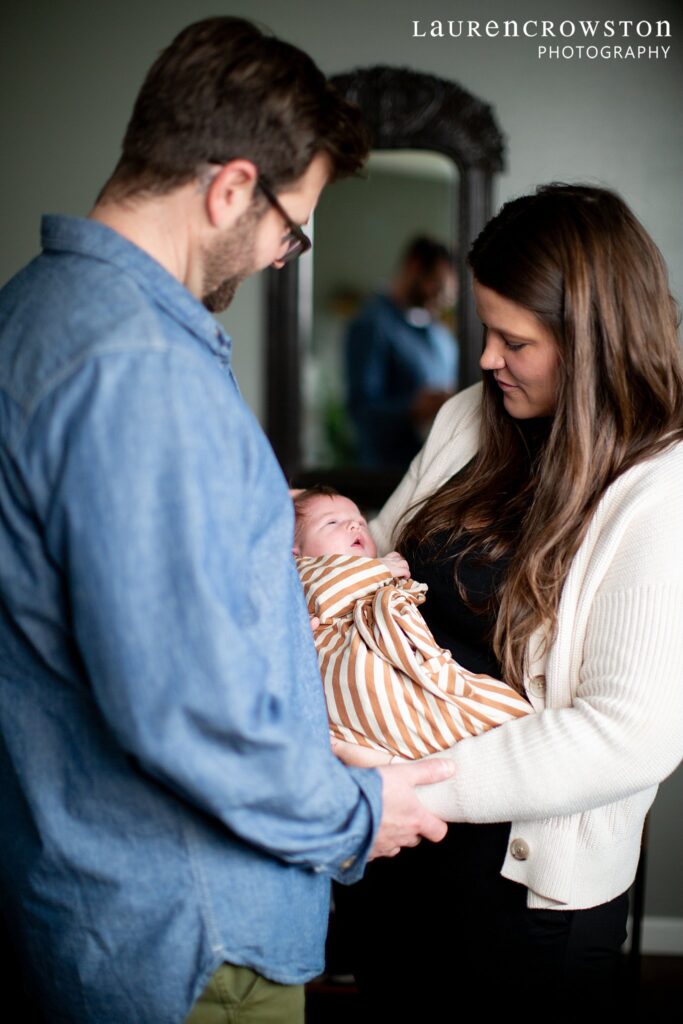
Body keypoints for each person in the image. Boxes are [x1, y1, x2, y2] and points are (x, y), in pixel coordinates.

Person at [0, 18, 455, 1024]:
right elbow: (179, 705)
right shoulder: (137, 369)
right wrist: (355, 815)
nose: (290, 259)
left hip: (98, 890)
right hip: (192, 936)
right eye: (293, 227)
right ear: (230, 188)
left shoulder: (32, 313)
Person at [333, 184, 683, 1020]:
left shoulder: (659, 492)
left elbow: (627, 735)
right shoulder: (468, 419)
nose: (484, 357)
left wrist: (406, 784)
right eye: (485, 328)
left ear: (591, 343)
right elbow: (374, 560)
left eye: (512, 340)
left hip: (519, 897)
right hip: (395, 852)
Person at [293, 486, 531, 764]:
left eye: (360, 520)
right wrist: (380, 569)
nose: (354, 523)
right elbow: (322, 594)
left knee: (491, 710)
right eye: (332, 522)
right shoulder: (301, 572)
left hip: (400, 676)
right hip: (353, 672)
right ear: (295, 553)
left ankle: (400, 761)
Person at [346, 235, 459, 468]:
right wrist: (413, 409)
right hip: (388, 476)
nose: (441, 300)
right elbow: (361, 412)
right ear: (415, 265)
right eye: (436, 286)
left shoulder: (439, 334)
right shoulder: (372, 325)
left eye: (446, 294)